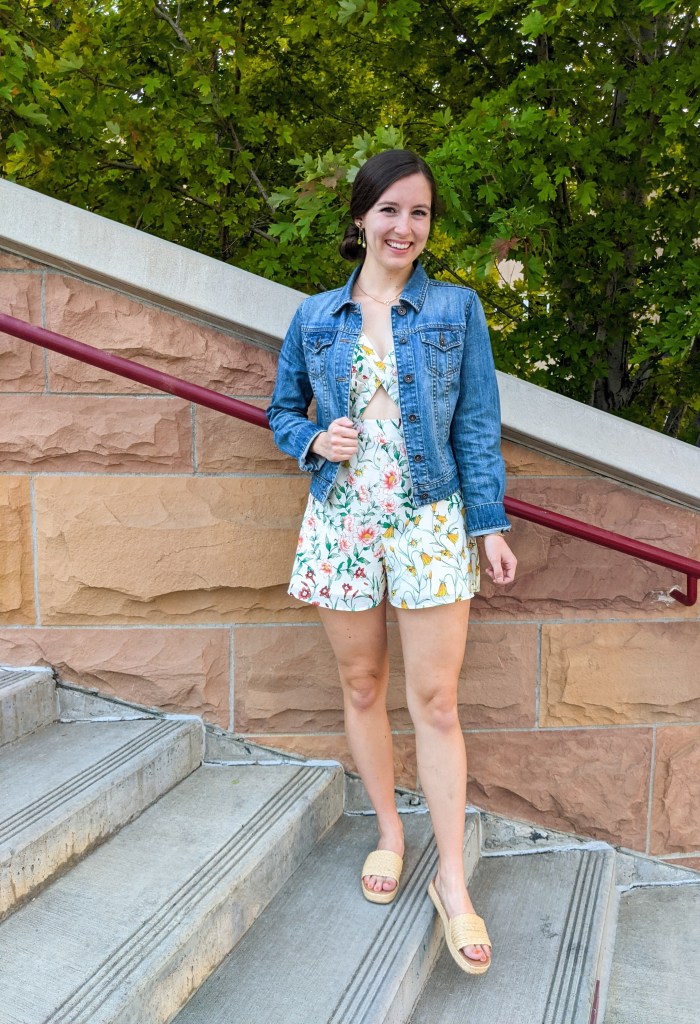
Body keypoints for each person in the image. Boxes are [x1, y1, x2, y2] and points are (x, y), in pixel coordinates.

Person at [267, 149, 517, 976]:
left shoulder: (456, 309)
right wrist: (313, 439)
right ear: (360, 219)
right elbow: (278, 412)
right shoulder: (313, 317)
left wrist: (491, 526)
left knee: (436, 700)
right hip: (342, 519)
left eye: (419, 213)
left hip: (430, 520)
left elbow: (477, 423)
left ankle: (452, 876)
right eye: (390, 211)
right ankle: (389, 830)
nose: (405, 228)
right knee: (364, 686)